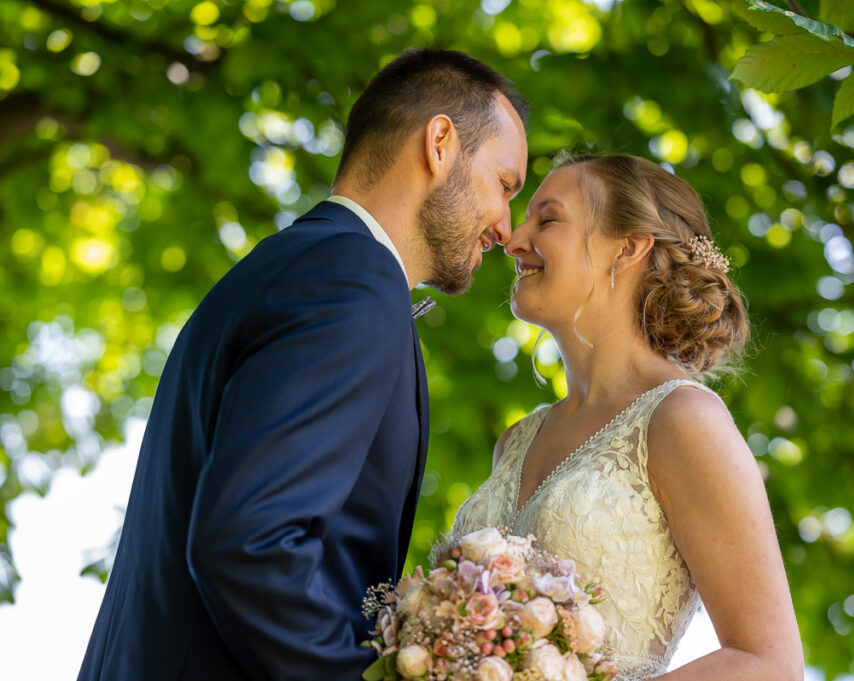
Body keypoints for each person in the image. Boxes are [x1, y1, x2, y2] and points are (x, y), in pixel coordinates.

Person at [78, 48, 528, 681]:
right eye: (505, 185)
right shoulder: (353, 278)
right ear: (440, 143)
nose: (507, 227)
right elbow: (247, 544)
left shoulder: (288, 266)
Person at [449, 154, 804, 680]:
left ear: (629, 246)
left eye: (547, 219)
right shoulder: (515, 441)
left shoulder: (682, 419)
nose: (513, 238)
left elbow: (769, 663)